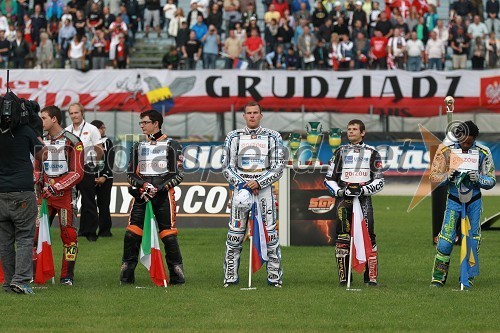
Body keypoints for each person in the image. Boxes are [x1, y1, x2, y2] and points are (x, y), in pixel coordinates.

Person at [222, 101, 285, 288]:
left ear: (261, 115)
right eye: (248, 113)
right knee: (235, 235)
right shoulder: (233, 137)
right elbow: (226, 166)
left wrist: (258, 182)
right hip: (241, 191)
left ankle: (274, 279)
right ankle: (230, 277)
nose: (252, 116)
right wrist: (244, 185)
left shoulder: (273, 137)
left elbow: (278, 166)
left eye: (255, 112)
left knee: (270, 235)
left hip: (264, 191)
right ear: (244, 116)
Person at [120, 109, 185, 285]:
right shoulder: (138, 146)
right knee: (132, 233)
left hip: (164, 196)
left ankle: (177, 275)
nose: (142, 125)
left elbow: (178, 175)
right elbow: (129, 174)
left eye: (145, 122)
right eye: (140, 123)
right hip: (142, 195)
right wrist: (143, 186)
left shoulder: (173, 144)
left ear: (156, 124)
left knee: (168, 235)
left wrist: (159, 187)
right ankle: (126, 275)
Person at [430, 121, 496, 287]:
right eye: (463, 141)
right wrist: (448, 176)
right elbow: (434, 177)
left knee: (473, 240)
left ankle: (467, 278)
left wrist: (479, 178)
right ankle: (438, 278)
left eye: (469, 142)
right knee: (445, 241)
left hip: (474, 201)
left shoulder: (483, 151)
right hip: (454, 200)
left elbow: (491, 180)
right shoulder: (446, 150)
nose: (465, 145)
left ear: (474, 139)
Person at [324, 119, 384, 286]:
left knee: (369, 236)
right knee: (342, 237)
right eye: (349, 129)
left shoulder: (373, 152)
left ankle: (370, 278)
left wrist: (362, 190)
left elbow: (379, 181)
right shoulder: (339, 152)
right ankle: (345, 278)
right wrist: (341, 191)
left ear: (362, 132)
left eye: (354, 129)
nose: (350, 132)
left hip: (364, 200)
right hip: (344, 200)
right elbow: (328, 179)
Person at [35, 106, 84, 286]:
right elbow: (37, 167)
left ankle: (67, 277)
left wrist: (58, 186)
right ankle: (36, 273)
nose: (41, 121)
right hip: (45, 196)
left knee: (69, 235)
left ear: (54, 119)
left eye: (44, 118)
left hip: (65, 196)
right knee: (35, 234)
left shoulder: (73, 141)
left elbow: (78, 172)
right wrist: (37, 184)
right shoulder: (41, 141)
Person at [0, 103, 41, 294]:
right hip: (22, 191)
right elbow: (42, 155)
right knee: (24, 237)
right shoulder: (25, 130)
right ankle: (21, 280)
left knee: (5, 240)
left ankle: (8, 282)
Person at [65, 103, 102, 242]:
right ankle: (74, 231)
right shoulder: (66, 130)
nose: (74, 116)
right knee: (71, 202)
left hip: (86, 168)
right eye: (71, 113)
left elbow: (99, 148)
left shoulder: (92, 129)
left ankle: (91, 231)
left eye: (76, 113)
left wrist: (92, 164)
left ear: (82, 113)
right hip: (71, 170)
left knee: (89, 201)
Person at [90, 120, 114, 237]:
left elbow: (110, 160)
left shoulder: (107, 142)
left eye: (103, 127)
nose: (103, 130)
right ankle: (88, 230)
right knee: (88, 205)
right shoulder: (88, 142)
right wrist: (89, 176)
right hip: (90, 178)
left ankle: (105, 231)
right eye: (101, 128)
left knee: (103, 204)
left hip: (105, 179)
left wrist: (105, 176)